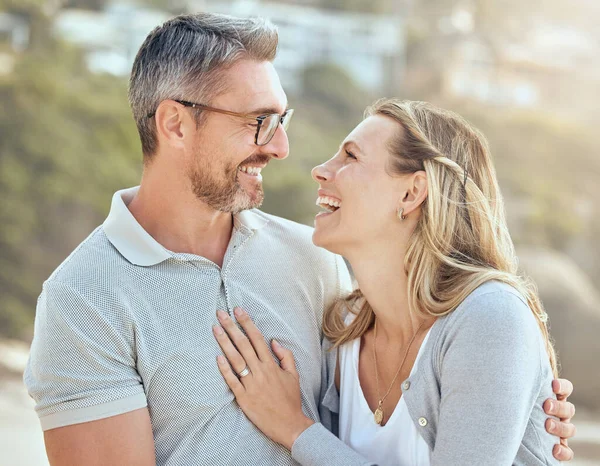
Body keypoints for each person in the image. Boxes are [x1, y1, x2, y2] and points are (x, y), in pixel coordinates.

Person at [22, 13, 575, 466]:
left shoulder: (317, 261)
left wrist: (515, 409)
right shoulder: (83, 299)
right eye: (258, 121)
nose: (284, 148)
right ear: (175, 125)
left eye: (282, 118)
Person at [213, 99, 578, 465]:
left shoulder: (490, 318)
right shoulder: (342, 330)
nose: (321, 171)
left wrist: (296, 430)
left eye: (351, 157)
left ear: (411, 192)